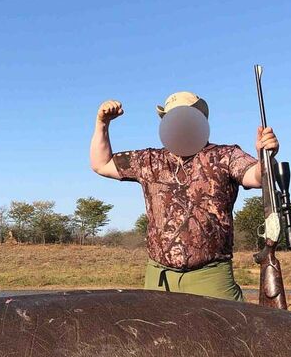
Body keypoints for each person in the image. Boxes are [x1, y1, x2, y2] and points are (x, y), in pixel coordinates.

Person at [90, 91, 279, 301]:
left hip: (211, 276)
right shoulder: (149, 160)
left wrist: (265, 156)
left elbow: (256, 176)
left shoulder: (225, 156)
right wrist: (102, 123)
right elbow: (102, 164)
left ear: (200, 119)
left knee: (229, 332)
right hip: (160, 278)